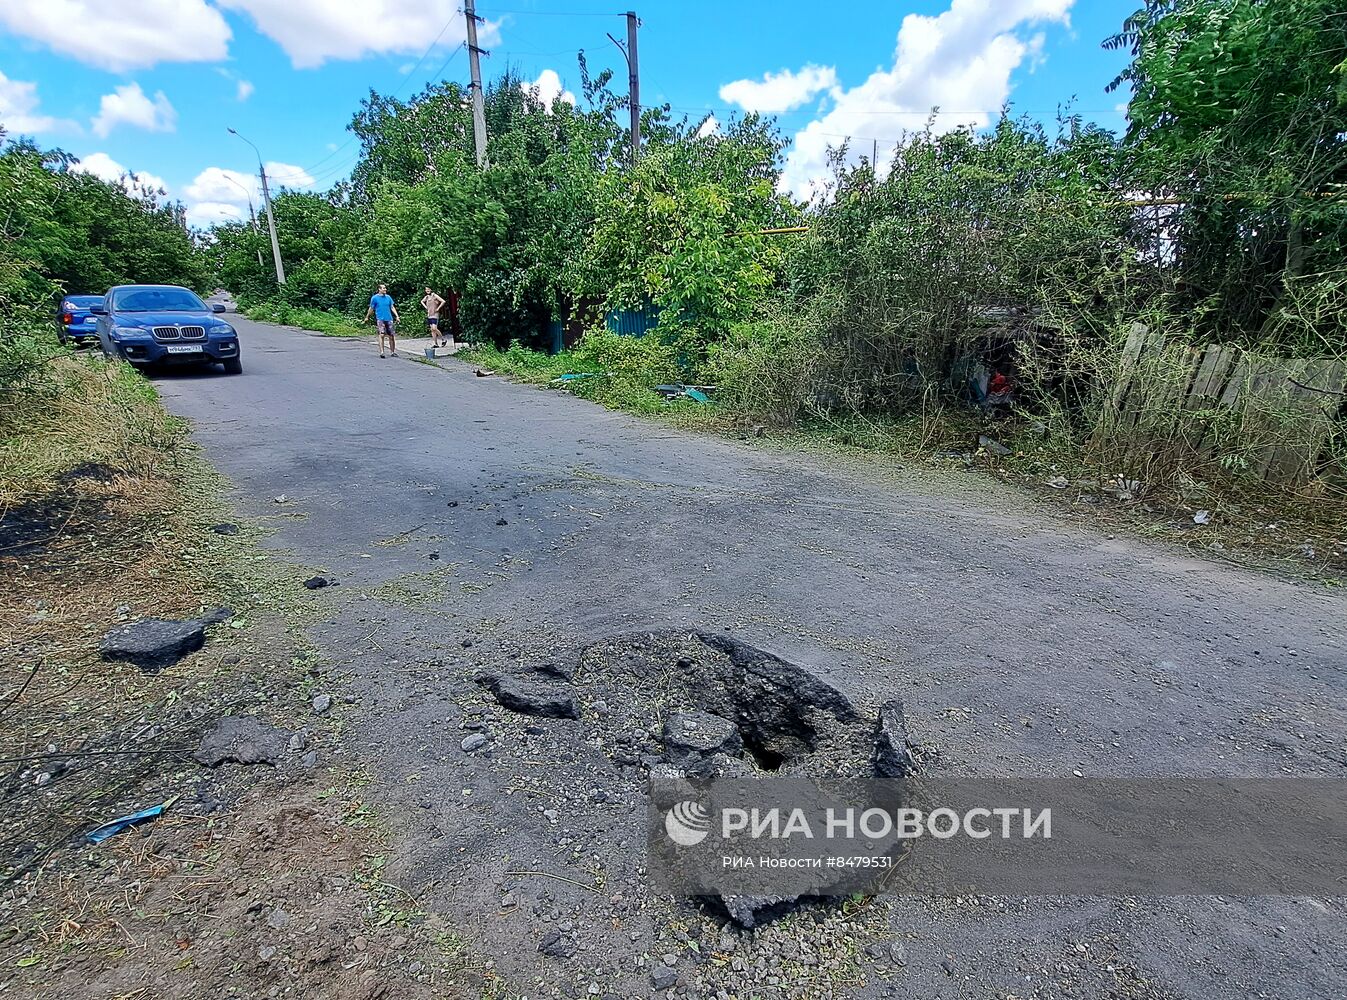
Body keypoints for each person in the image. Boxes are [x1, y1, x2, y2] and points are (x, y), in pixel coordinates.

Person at [364, 283, 400, 358]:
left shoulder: (388, 297)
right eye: (383, 288)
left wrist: (397, 316)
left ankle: (392, 351)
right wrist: (367, 316)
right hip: (380, 319)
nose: (385, 289)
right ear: (379, 289)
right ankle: (382, 352)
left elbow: (392, 307)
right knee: (382, 334)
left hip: (389, 318)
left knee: (391, 335)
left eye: (385, 288)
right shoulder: (375, 298)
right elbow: (371, 308)